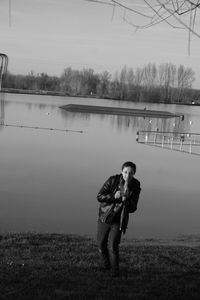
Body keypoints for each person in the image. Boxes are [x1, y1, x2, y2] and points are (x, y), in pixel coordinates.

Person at [97, 161, 141, 277]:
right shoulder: (113, 180)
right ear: (122, 171)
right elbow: (99, 196)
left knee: (112, 246)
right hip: (105, 217)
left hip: (119, 220)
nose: (128, 175)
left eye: (131, 173)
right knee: (101, 245)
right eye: (126, 172)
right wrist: (113, 196)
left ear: (134, 173)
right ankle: (106, 266)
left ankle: (114, 273)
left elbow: (133, 208)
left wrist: (126, 200)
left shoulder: (136, 186)